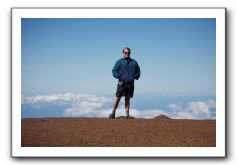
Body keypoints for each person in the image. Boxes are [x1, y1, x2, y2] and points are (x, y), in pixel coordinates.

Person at [109, 47, 141, 119]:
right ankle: (113, 113)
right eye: (125, 52)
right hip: (121, 83)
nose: (127, 54)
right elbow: (114, 70)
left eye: (128, 52)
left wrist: (134, 77)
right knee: (118, 98)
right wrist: (118, 76)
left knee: (127, 99)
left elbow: (138, 72)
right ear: (123, 53)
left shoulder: (134, 62)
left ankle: (127, 115)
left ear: (130, 53)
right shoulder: (119, 61)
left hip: (130, 83)